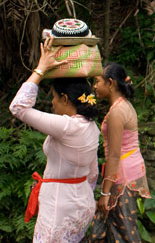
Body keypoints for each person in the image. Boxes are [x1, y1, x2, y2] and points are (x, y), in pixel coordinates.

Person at [9, 37, 100, 243]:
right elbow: (93, 173)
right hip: (82, 203)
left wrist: (40, 69)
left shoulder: (66, 127)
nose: (51, 102)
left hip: (59, 207)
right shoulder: (91, 126)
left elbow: (18, 107)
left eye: (53, 97)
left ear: (65, 99)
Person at [89, 62, 150, 243]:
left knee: (124, 232)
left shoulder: (117, 112)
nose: (94, 86)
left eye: (97, 81)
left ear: (111, 83)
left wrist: (105, 194)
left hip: (121, 175)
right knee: (106, 226)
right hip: (127, 171)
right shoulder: (124, 106)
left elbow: (114, 155)